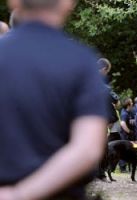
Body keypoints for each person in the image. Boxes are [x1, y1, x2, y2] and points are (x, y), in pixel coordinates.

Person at [0, 0, 108, 200]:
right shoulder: (82, 62)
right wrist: (20, 194)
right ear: (68, 3)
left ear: (13, 2)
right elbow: (87, 148)